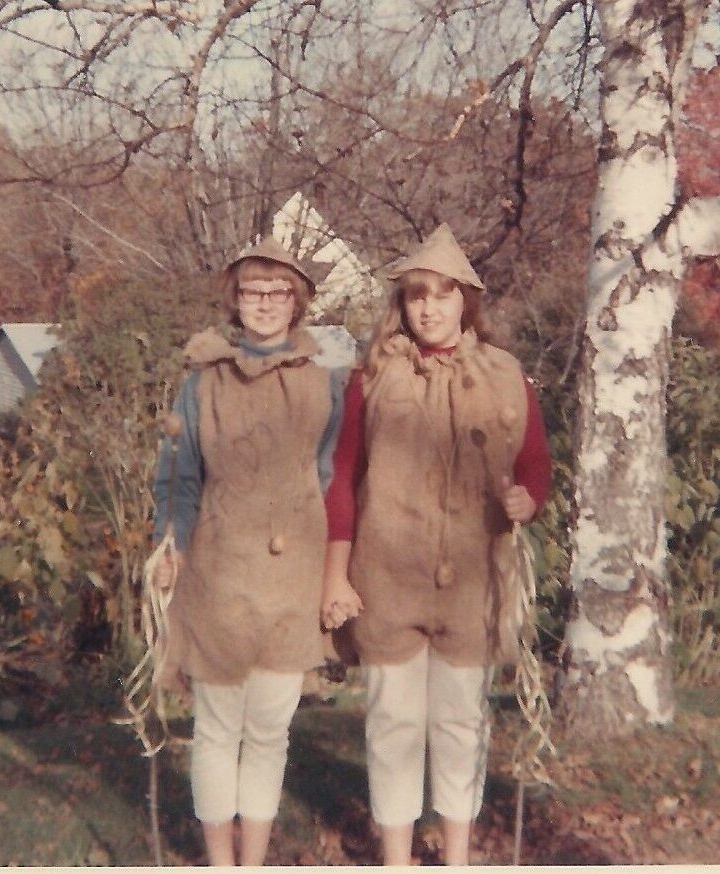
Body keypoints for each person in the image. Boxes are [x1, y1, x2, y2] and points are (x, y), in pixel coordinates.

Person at [321, 223, 551, 866]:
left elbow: (537, 465)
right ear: (403, 302)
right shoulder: (370, 377)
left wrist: (526, 500)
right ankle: (396, 858)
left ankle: (455, 857)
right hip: (387, 579)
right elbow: (342, 477)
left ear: (465, 302)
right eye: (417, 295)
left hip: (474, 583)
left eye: (442, 295)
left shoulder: (507, 376)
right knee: (393, 723)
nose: (428, 307)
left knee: (459, 722)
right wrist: (335, 575)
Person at [151, 239, 345, 867]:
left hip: (292, 576)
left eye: (278, 292)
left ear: (298, 304)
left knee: (268, 728)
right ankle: (219, 863)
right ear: (234, 301)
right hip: (218, 572)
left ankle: (254, 862)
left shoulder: (324, 387)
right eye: (252, 292)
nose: (264, 303)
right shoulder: (201, 385)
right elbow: (180, 480)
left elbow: (328, 475)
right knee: (216, 728)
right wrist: (169, 547)